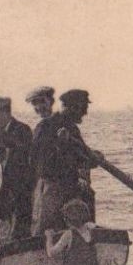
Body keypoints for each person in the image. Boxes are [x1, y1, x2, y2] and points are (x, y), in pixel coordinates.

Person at [31, 89, 99, 234]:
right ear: (72, 107)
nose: (85, 113)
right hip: (53, 188)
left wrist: (93, 157)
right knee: (46, 231)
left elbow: (83, 157)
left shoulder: (72, 129)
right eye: (83, 109)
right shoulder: (45, 127)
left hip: (71, 188)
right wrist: (61, 146)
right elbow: (39, 162)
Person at [0, 97, 37, 238]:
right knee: (1, 228)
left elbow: (22, 149)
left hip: (22, 189)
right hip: (5, 189)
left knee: (21, 230)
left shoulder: (23, 129)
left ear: (7, 112)